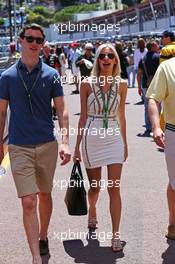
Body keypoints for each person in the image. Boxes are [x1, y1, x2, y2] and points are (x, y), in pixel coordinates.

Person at [0, 24, 71, 264]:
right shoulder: (7, 76)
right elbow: (1, 113)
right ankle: (35, 258)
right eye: (29, 38)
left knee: (45, 194)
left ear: (43, 44)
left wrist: (65, 142)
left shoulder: (52, 74)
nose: (34, 43)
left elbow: (62, 110)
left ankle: (43, 235)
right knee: (29, 201)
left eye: (39, 40)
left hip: (47, 145)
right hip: (19, 146)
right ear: (20, 41)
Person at [73, 43, 128, 252]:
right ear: (97, 60)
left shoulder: (122, 84)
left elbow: (121, 116)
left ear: (115, 60)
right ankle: (92, 208)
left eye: (110, 55)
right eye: (102, 55)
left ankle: (115, 236)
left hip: (113, 137)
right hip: (91, 136)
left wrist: (125, 144)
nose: (106, 59)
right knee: (95, 187)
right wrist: (76, 146)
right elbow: (82, 117)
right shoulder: (86, 83)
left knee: (114, 187)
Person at [147, 57, 175, 240]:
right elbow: (153, 99)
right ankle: (173, 222)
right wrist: (156, 126)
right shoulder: (167, 67)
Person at [137, 41, 160, 136]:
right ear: (153, 46)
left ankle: (149, 128)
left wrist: (138, 86)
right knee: (158, 106)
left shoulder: (142, 59)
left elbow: (139, 74)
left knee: (147, 107)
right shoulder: (159, 57)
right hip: (157, 84)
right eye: (156, 45)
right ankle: (158, 126)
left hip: (146, 85)